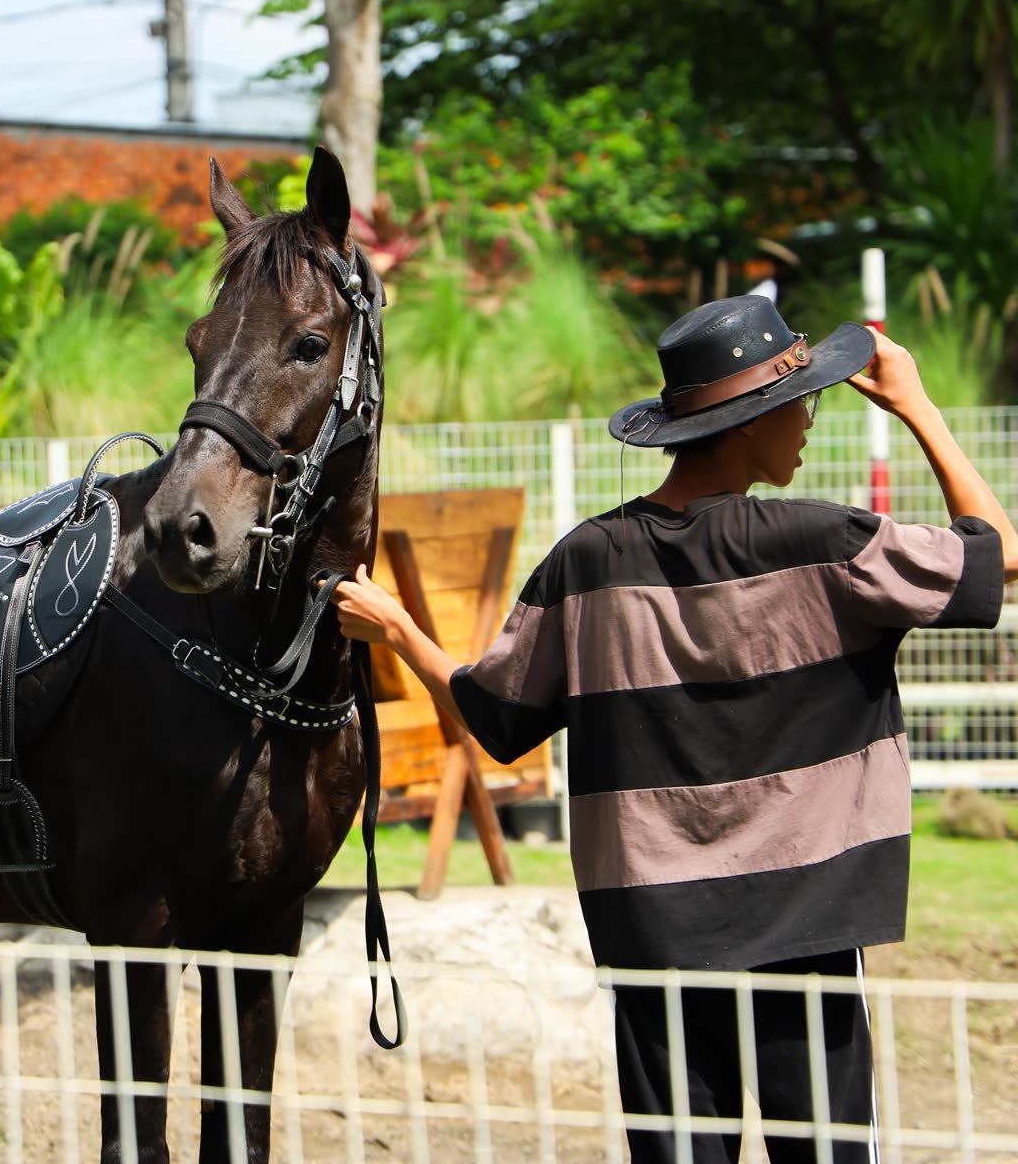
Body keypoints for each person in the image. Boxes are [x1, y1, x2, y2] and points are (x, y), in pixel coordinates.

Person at [330, 295, 1018, 1164]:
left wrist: (399, 632)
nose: (808, 422)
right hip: (805, 926)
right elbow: (1002, 552)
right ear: (743, 427)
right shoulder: (830, 544)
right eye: (798, 404)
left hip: (653, 932)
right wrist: (917, 407)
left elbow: (497, 717)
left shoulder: (586, 562)